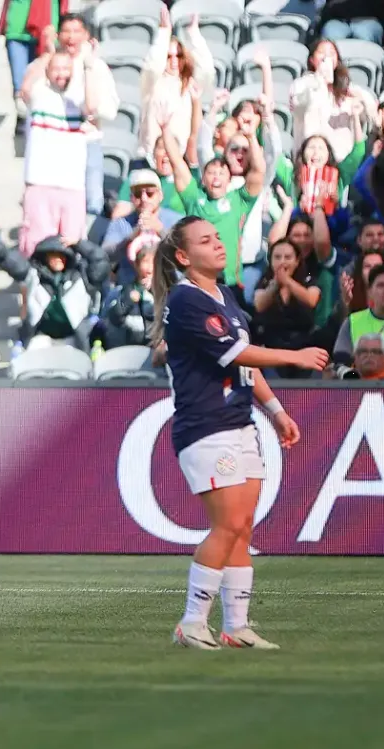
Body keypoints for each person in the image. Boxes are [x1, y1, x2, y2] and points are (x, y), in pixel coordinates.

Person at [150, 216, 329, 650]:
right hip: (207, 426)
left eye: (218, 237)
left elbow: (242, 365)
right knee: (227, 523)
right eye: (205, 241)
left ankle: (236, 626)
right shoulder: (188, 299)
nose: (218, 245)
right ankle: (192, 621)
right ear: (182, 256)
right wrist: (297, 357)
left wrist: (275, 410)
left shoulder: (224, 295)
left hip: (239, 422)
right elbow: (239, 351)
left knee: (243, 527)